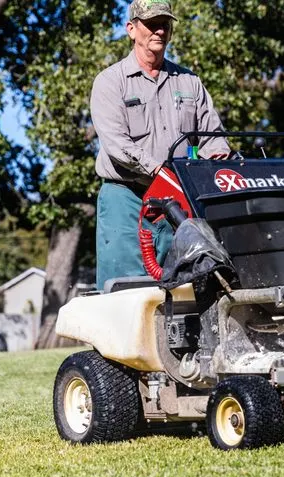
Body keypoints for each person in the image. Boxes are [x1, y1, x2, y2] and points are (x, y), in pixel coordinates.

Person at [90, 0, 230, 291]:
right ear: (131, 29)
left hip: (179, 201)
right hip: (126, 200)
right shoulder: (110, 82)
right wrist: (160, 171)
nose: (160, 31)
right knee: (125, 292)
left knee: (187, 290)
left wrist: (215, 163)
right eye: (151, 24)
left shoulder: (190, 82)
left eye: (164, 24)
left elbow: (212, 136)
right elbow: (117, 144)